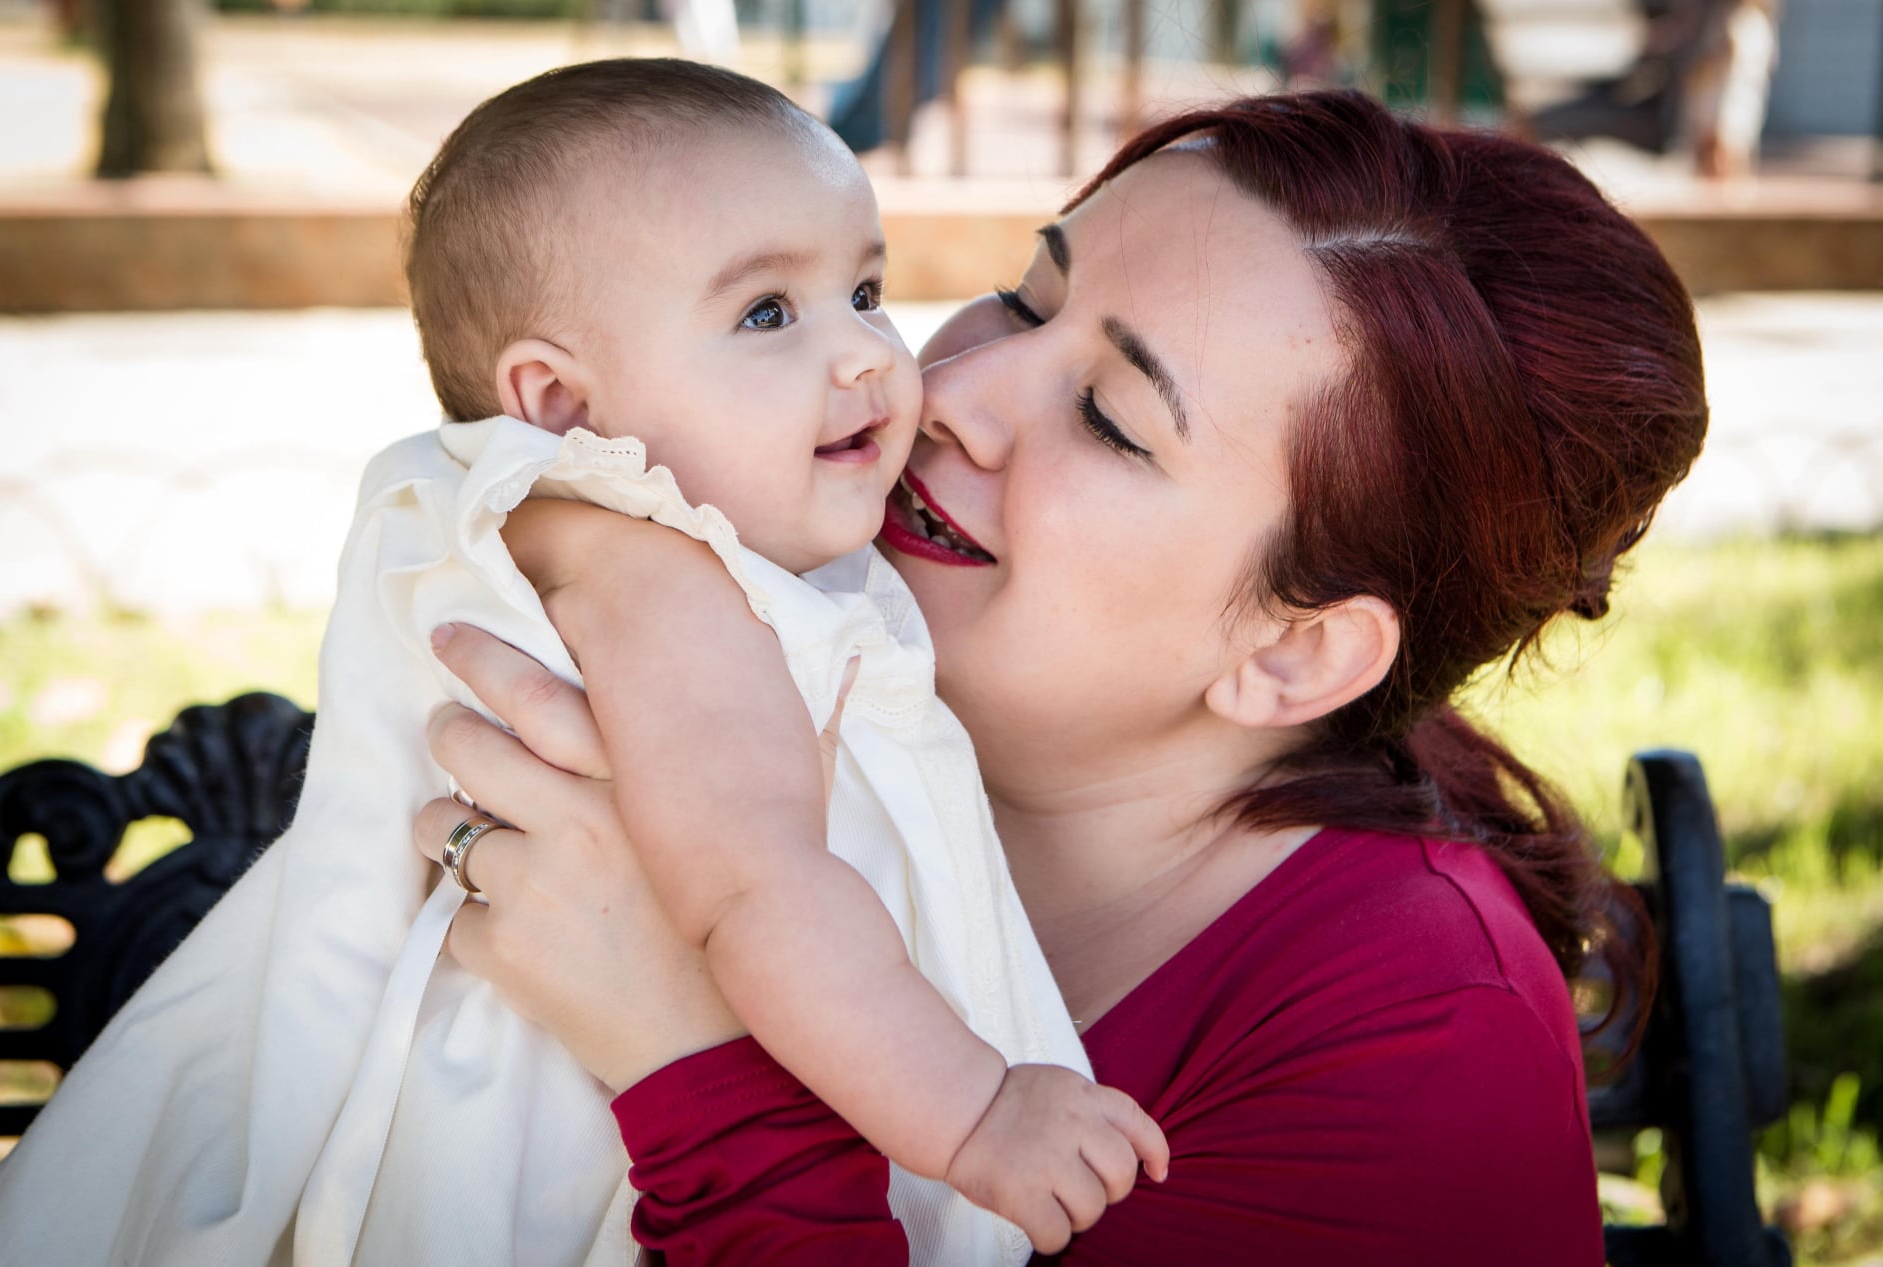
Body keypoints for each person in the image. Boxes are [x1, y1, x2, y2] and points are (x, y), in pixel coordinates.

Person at [409, 89, 1709, 1262]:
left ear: (1292, 649)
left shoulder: (1419, 1033)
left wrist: (692, 1053)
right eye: (1027, 295)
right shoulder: (754, 649)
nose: (953, 387)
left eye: (1109, 417)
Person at [0, 59, 1160, 1266]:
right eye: (767, 313)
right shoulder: (660, 582)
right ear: (557, 404)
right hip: (567, 1137)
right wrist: (975, 1110)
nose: (865, 355)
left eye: (865, 288)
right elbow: (759, 893)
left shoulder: (577, 534)